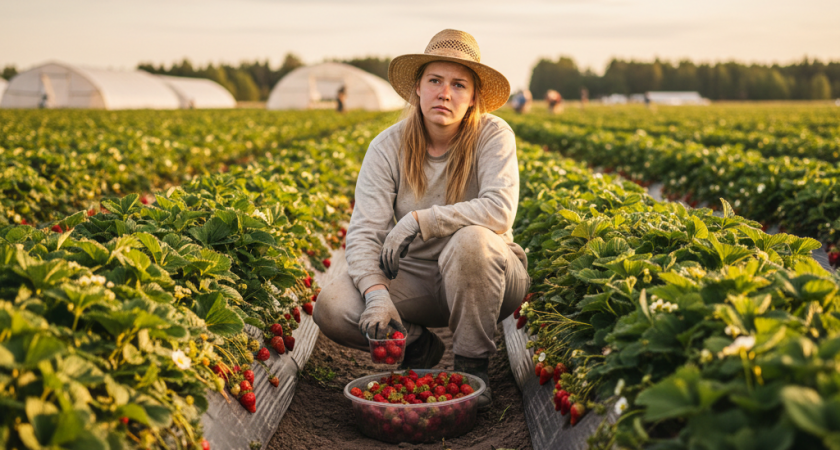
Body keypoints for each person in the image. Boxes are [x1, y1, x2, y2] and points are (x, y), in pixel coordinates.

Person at [314, 29, 530, 411]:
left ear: (474, 97)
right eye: (435, 81)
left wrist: (420, 219)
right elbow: (364, 233)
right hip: (413, 280)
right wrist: (377, 296)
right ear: (417, 88)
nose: (445, 93)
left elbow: (499, 209)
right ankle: (417, 343)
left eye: (458, 84)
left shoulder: (493, 135)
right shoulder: (387, 147)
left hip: (487, 279)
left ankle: (472, 371)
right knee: (331, 305)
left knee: (472, 243)